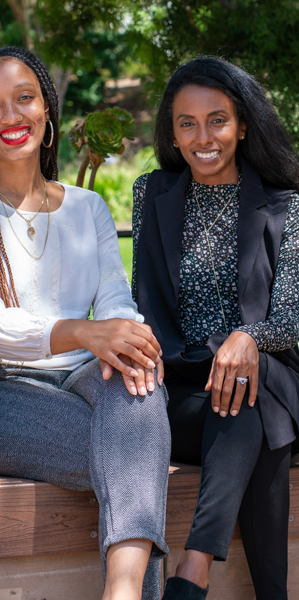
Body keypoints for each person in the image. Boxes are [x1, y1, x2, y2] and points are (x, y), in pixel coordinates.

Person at [0, 46, 170, 600]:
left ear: (47, 109)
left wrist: (124, 339)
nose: (11, 116)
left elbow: (114, 295)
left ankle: (123, 591)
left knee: (140, 386)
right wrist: (86, 332)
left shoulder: (87, 207)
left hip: (81, 372)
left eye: (23, 99)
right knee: (135, 452)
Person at [132, 57, 299, 600]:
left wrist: (248, 337)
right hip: (183, 392)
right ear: (173, 133)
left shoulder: (285, 206)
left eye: (218, 120)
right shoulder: (151, 194)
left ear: (243, 124)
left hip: (268, 379)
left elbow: (293, 316)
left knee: (253, 385)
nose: (204, 137)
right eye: (187, 123)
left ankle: (194, 566)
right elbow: (142, 301)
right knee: (252, 408)